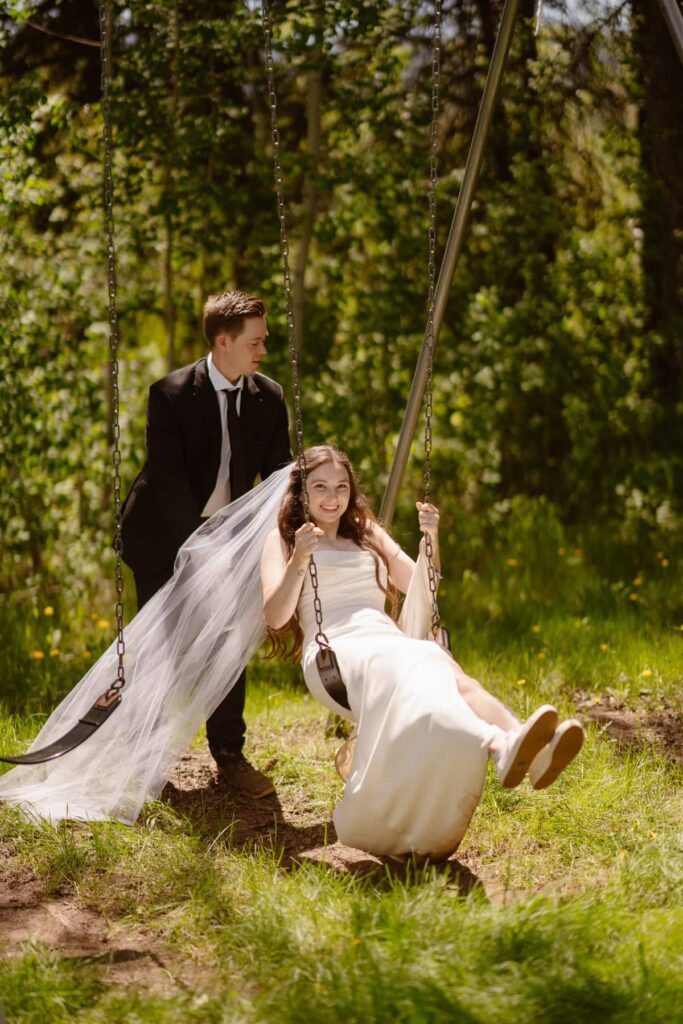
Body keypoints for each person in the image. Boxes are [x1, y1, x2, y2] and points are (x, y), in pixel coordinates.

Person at [260, 445, 585, 859]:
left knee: (446, 669)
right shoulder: (284, 540)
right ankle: (501, 744)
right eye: (320, 487)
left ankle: (513, 745)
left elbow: (421, 584)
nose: (331, 497)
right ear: (301, 492)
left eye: (341, 487)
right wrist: (299, 558)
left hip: (386, 640)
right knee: (426, 657)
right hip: (336, 653)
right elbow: (275, 615)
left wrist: (431, 539)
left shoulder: (366, 532)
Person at [120, 289, 291, 798]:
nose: (263, 350)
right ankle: (146, 763)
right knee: (162, 649)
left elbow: (279, 473)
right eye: (255, 341)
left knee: (230, 643)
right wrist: (200, 548)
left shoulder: (270, 396)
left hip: (233, 541)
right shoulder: (169, 394)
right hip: (163, 538)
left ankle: (230, 758)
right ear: (223, 341)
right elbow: (168, 481)